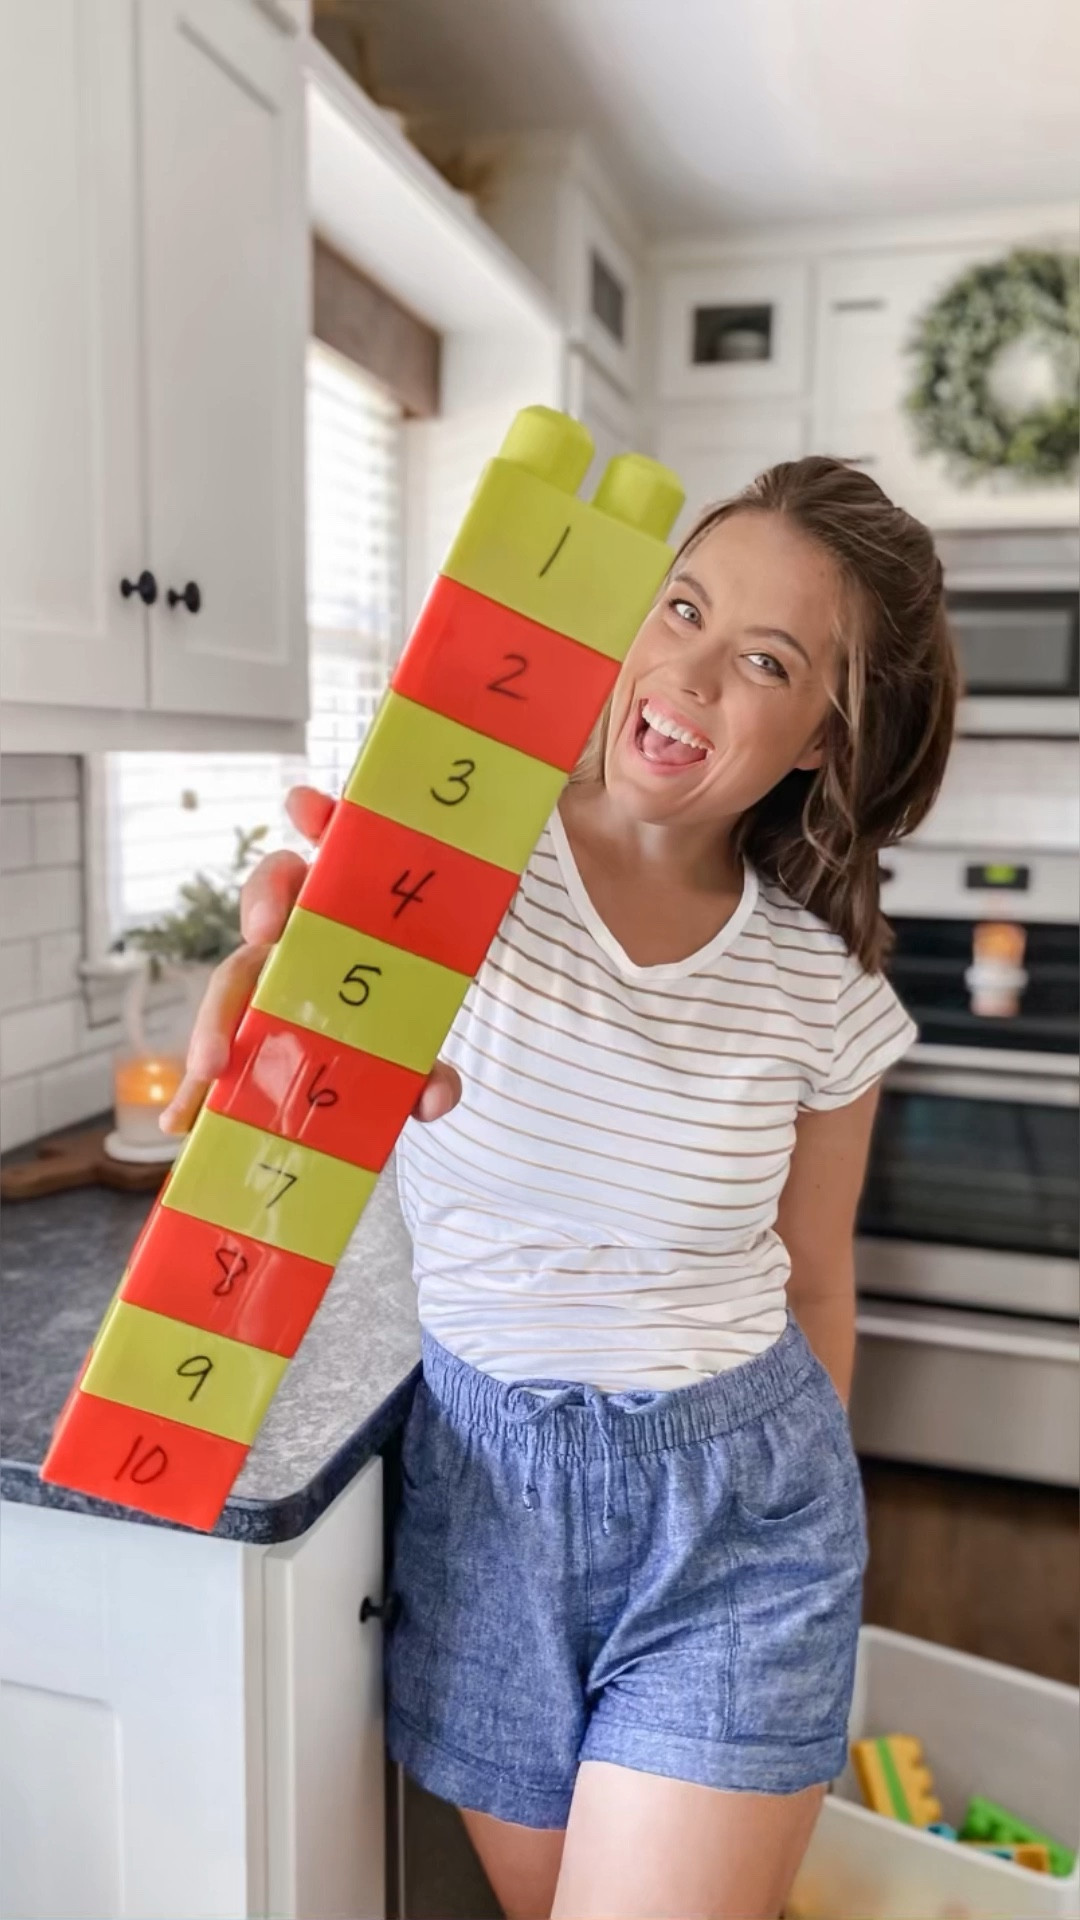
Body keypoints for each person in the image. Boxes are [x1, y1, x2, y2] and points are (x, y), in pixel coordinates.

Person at [162, 456, 957, 1920]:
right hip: (486, 1506)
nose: (690, 673)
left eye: (765, 660)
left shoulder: (818, 988)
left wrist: (819, 1537)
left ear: (823, 742)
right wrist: (269, 1004)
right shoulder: (441, 867)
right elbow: (288, 1089)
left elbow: (820, 1279)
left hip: (739, 1522)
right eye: (682, 609)